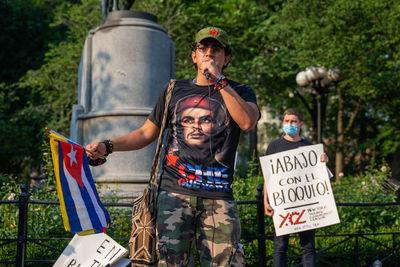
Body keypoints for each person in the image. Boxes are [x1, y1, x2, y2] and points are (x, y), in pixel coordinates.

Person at [86, 26, 260, 266]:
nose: (209, 54)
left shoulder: (239, 91)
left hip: (218, 198)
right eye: (203, 49)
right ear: (194, 56)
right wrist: (108, 145)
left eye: (216, 50)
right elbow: (146, 133)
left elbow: (248, 121)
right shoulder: (173, 90)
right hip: (174, 195)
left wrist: (219, 81)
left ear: (226, 58)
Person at [263, 108, 328, 267]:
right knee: (280, 246)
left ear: (300, 124)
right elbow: (268, 177)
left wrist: (323, 162)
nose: (289, 124)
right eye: (286, 121)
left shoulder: (309, 148)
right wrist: (265, 200)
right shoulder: (274, 146)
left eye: (293, 121)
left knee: (308, 247)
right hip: (283, 205)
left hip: (306, 204)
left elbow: (318, 178)